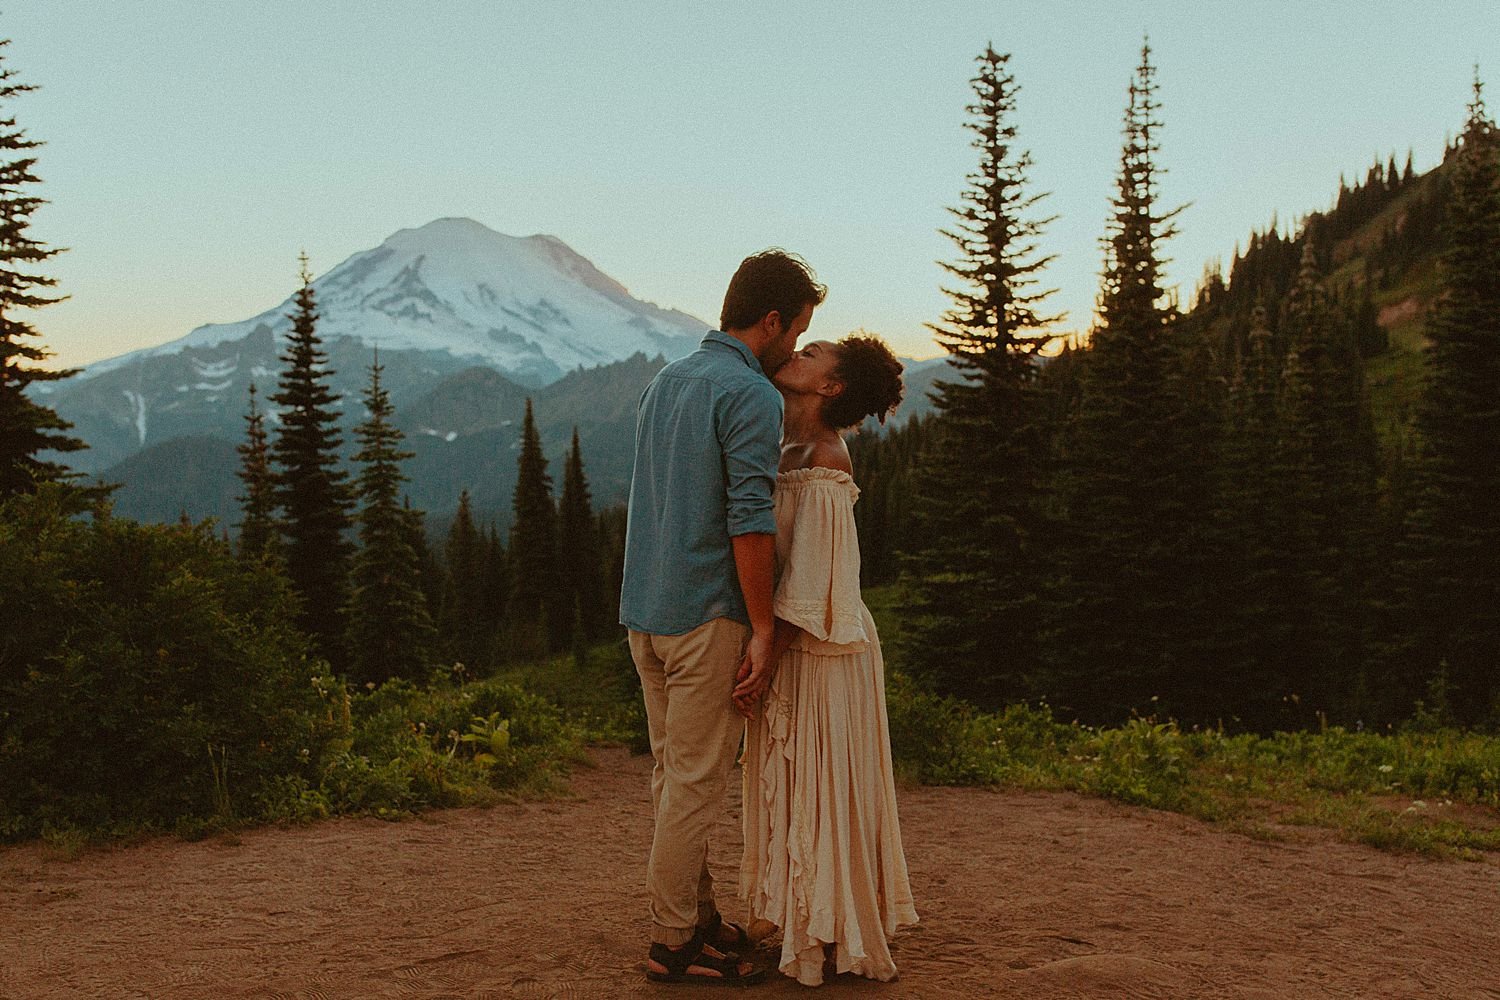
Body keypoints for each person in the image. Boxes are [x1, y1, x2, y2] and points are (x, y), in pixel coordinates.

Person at [620, 249, 826, 986]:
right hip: (706, 618)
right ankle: (673, 939)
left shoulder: (666, 382)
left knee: (674, 779)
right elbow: (749, 519)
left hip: (644, 613)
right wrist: (764, 627)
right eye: (797, 332)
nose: (796, 348)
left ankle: (698, 920)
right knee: (697, 785)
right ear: (770, 321)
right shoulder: (750, 394)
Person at [735, 333, 918, 987]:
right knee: (798, 780)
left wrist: (765, 657)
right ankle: (808, 918)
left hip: (824, 648)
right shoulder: (785, 446)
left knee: (821, 781)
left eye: (814, 354)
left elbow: (811, 586)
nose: (797, 354)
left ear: (830, 387)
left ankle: (831, 930)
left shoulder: (827, 460)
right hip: (795, 642)